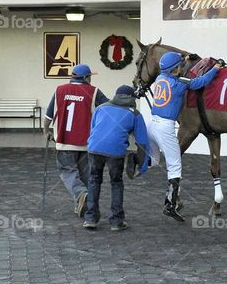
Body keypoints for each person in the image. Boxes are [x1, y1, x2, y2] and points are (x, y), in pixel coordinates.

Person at [146, 52, 221, 221]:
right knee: (175, 167)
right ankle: (170, 205)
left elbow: (170, 67)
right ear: (175, 70)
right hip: (165, 127)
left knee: (154, 160)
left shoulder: (160, 78)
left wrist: (183, 58)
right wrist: (216, 68)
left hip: (151, 125)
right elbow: (201, 82)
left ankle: (136, 160)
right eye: (179, 66)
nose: (182, 68)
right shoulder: (180, 83)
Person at [83, 85, 151, 232]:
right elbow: (143, 142)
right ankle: (116, 221)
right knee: (116, 183)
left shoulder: (101, 108)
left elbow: (93, 128)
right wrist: (143, 166)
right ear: (132, 98)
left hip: (94, 148)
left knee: (94, 180)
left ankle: (90, 219)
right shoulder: (134, 113)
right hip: (115, 151)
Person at [43, 63, 108, 216]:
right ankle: (84, 205)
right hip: (86, 142)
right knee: (85, 174)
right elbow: (108, 108)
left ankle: (80, 195)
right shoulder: (94, 92)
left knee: (67, 171)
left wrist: (46, 131)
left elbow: (48, 116)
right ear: (85, 77)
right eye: (90, 76)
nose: (91, 79)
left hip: (64, 142)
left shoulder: (60, 90)